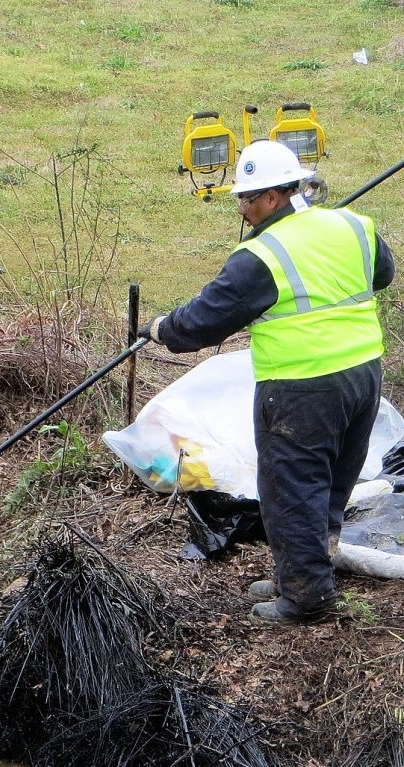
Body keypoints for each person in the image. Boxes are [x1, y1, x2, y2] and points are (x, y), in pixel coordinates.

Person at [139, 140, 395, 624]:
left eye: (247, 198)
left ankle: (306, 598)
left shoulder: (262, 255)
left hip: (302, 386)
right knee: (333, 480)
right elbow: (382, 274)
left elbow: (203, 321)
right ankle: (303, 569)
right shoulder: (352, 225)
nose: (242, 208)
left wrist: (160, 329)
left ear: (274, 197)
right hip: (363, 376)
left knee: (291, 488)